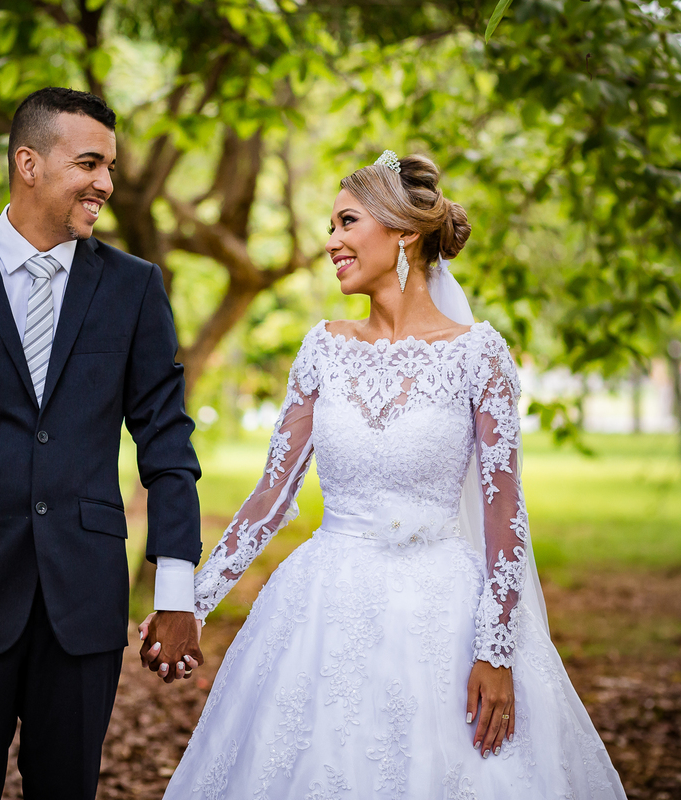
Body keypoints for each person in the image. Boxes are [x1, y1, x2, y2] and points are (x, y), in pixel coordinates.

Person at [155, 152, 628, 798]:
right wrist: (193, 601)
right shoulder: (323, 347)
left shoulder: (478, 357)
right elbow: (273, 493)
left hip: (442, 620)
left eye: (347, 222)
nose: (331, 242)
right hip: (321, 612)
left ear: (403, 233)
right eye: (330, 226)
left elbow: (503, 517)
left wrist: (497, 650)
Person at [0, 87, 204, 800]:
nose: (106, 183)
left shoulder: (136, 289)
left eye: (110, 166)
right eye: (89, 163)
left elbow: (167, 442)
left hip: (82, 604)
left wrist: (176, 590)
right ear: (28, 163)